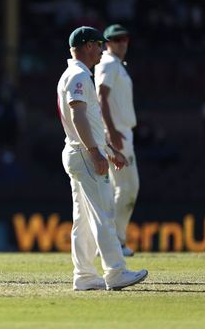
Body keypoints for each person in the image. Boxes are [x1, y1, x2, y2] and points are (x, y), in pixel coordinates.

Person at [57, 26, 147, 291]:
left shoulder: (74, 73)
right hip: (85, 154)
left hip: (79, 151)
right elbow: (79, 115)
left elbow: (91, 122)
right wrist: (96, 153)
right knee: (103, 213)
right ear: (86, 46)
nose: (100, 49)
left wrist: (109, 150)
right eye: (97, 44)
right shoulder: (79, 75)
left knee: (83, 220)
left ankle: (84, 276)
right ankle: (116, 272)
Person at [94, 24, 138, 257]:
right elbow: (102, 95)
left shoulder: (116, 65)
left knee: (120, 188)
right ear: (108, 43)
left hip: (121, 131)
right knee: (127, 188)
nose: (123, 43)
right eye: (117, 39)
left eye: (125, 38)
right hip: (117, 133)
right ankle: (115, 241)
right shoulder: (108, 63)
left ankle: (111, 241)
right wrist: (110, 131)